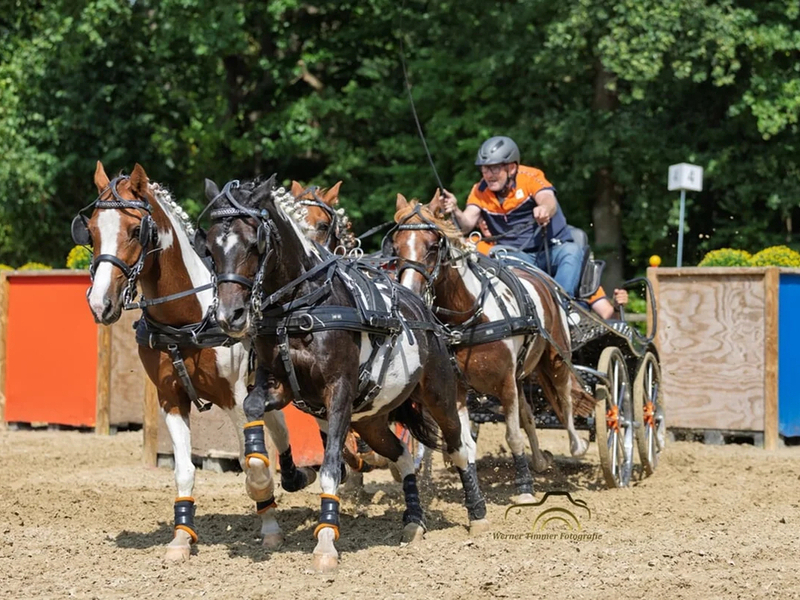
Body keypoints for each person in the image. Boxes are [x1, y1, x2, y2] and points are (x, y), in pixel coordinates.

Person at [442, 135, 584, 296]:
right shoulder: (480, 190)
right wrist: (455, 210)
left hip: (551, 250)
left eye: (494, 168)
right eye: (485, 169)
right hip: (516, 255)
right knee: (497, 253)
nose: (488, 175)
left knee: (572, 251)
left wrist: (544, 209)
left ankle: (563, 302)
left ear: (511, 168)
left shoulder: (530, 176)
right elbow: (466, 223)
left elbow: (547, 198)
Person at [475, 216, 628, 320]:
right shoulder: (479, 245)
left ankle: (561, 307)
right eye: (483, 218)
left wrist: (616, 308)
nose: (487, 223)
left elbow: (608, 315)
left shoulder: (582, 277)